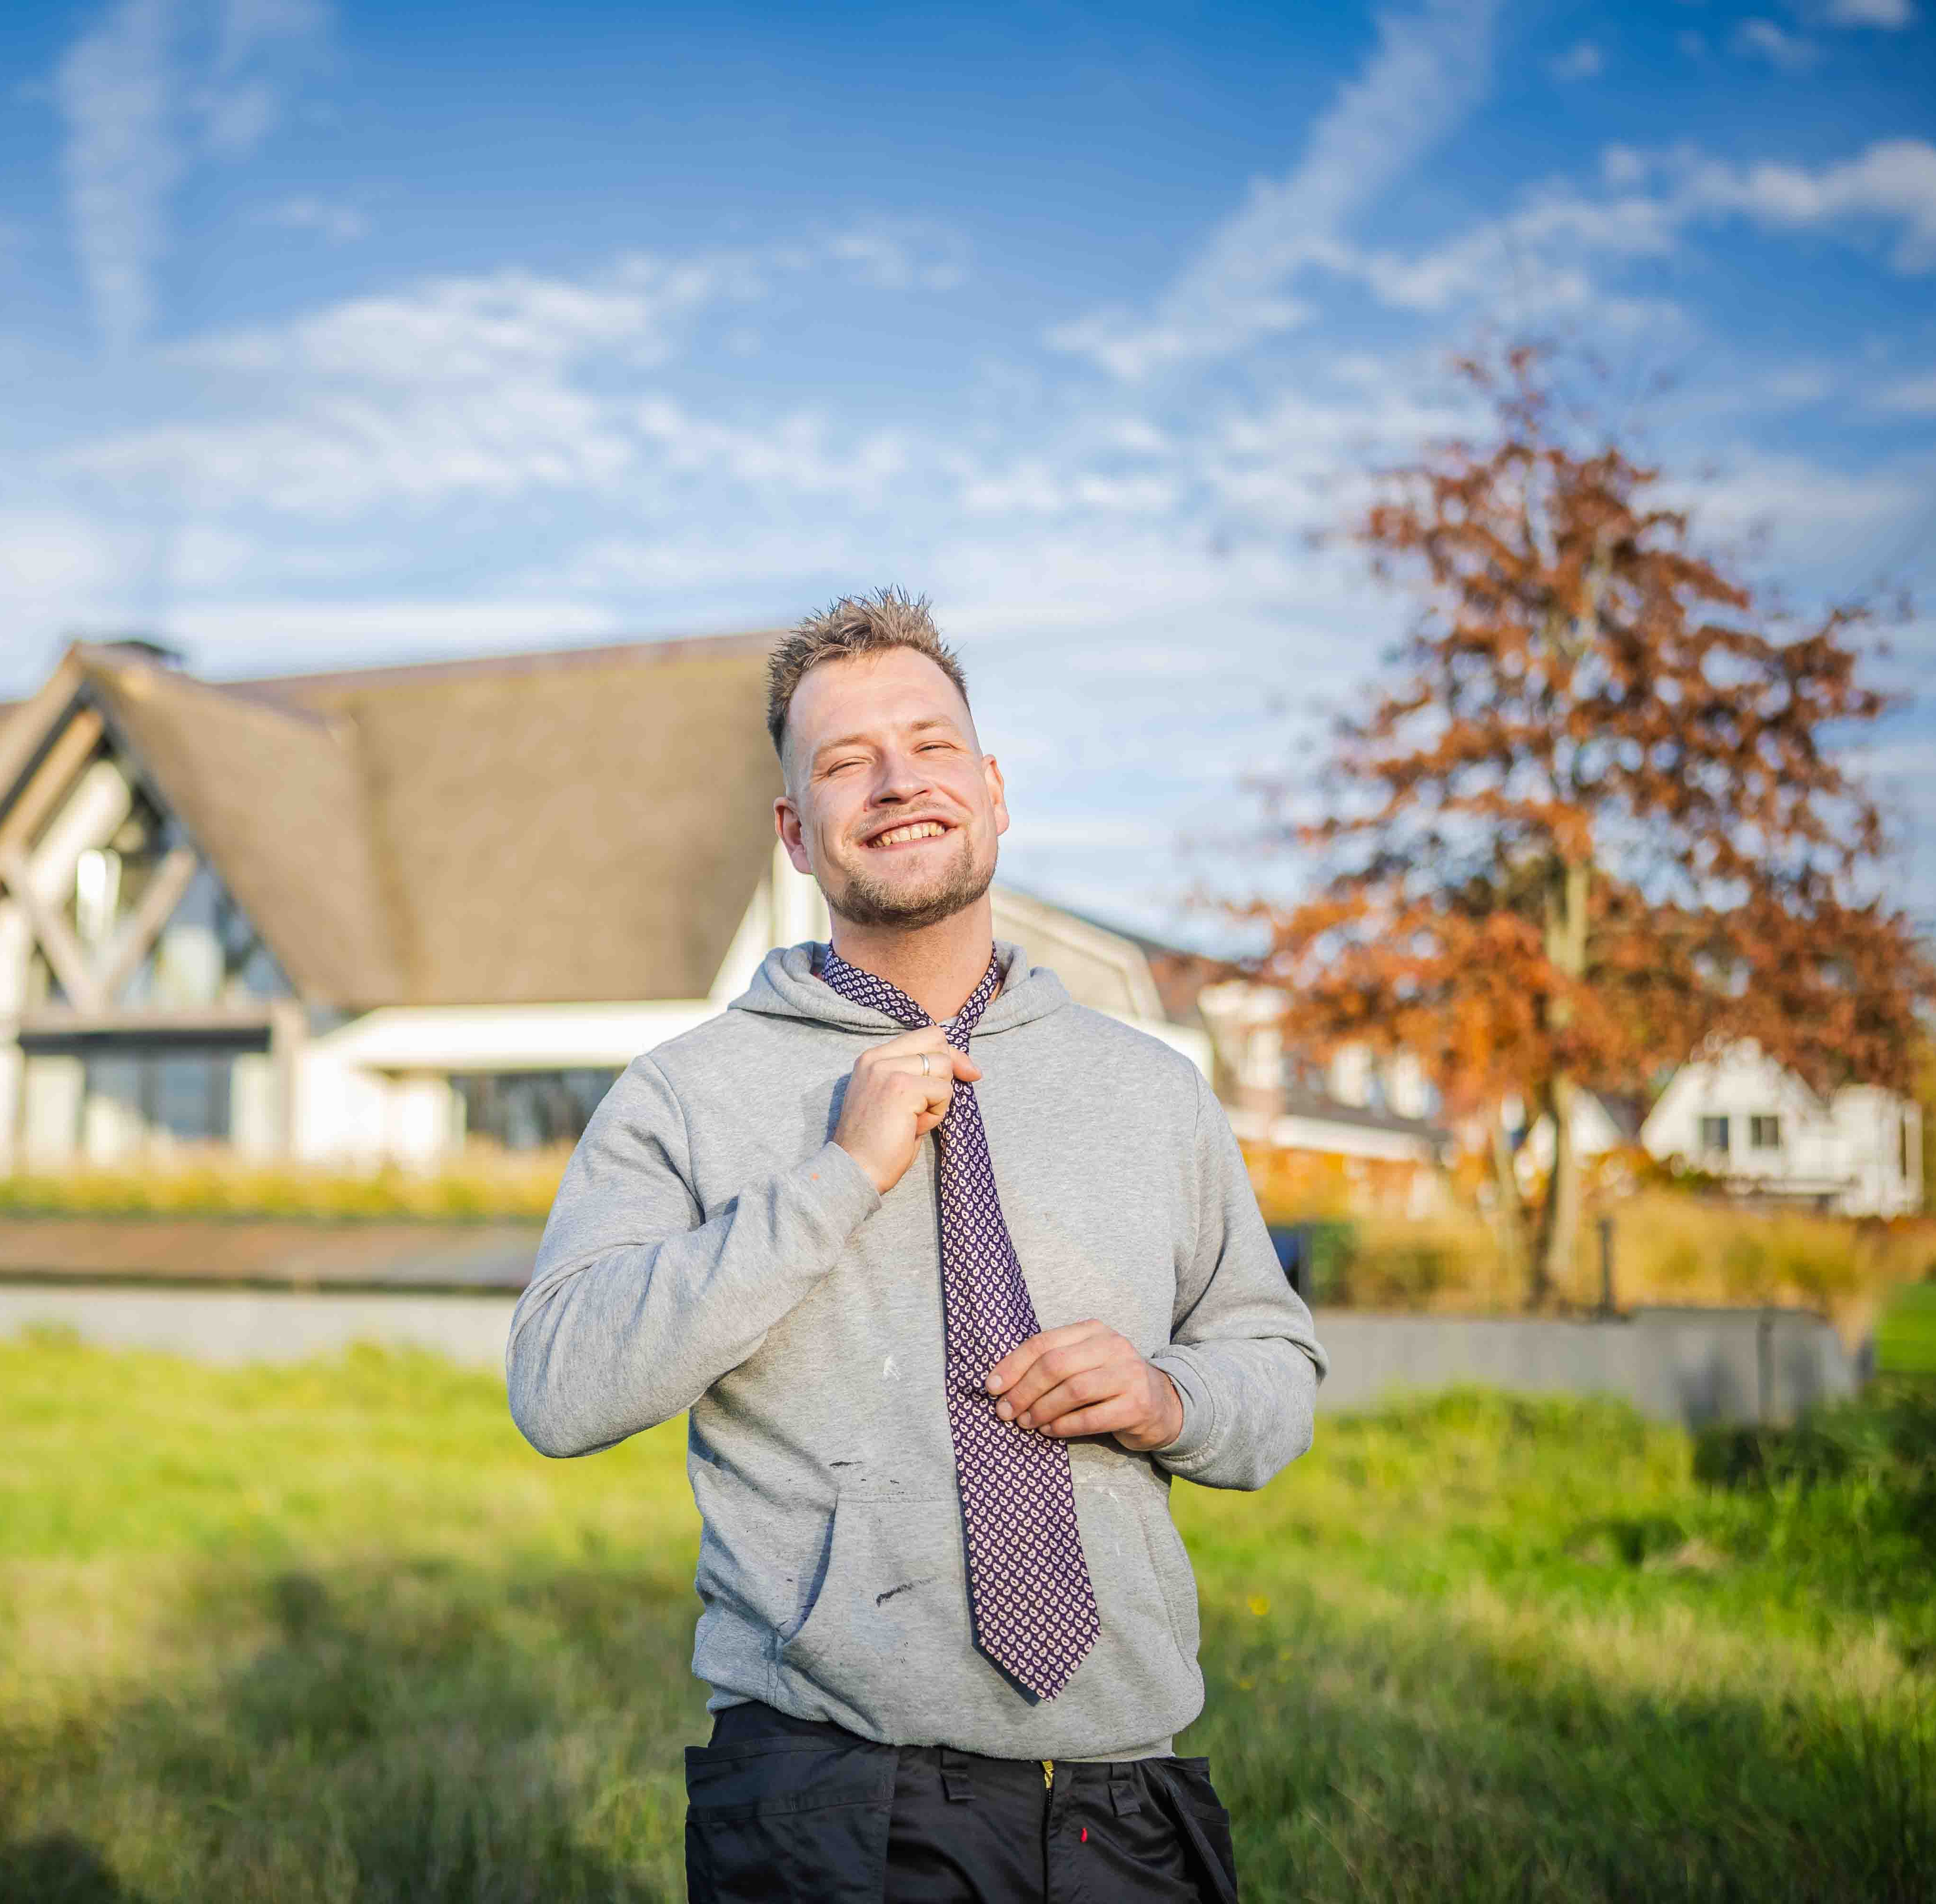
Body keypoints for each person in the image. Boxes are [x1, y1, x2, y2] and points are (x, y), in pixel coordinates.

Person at [506, 590, 1325, 1902]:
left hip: (1131, 1796)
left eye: (931, 745)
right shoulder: (684, 1095)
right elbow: (558, 1385)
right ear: (796, 833)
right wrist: (838, 1177)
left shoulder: (1152, 1088)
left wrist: (1173, 1398)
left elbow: (1276, 1371)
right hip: (831, 1805)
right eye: (845, 761)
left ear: (992, 791)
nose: (897, 782)